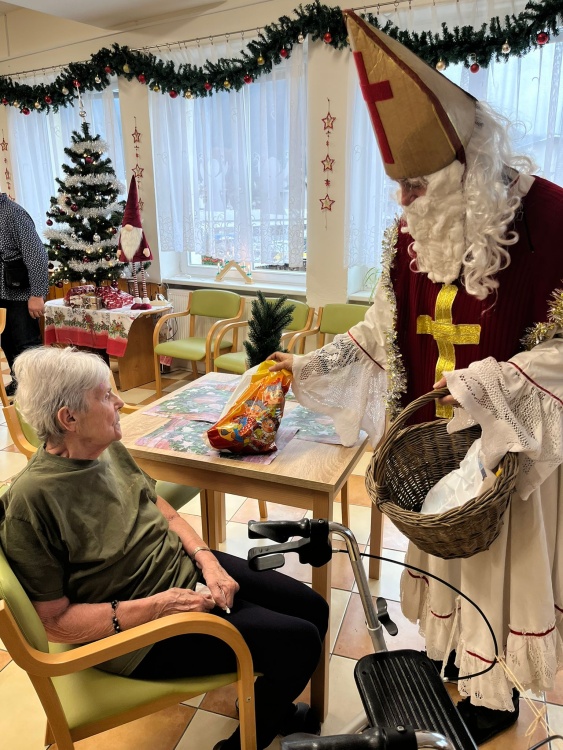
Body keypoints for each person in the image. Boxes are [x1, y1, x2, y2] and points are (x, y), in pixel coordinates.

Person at [270, 12, 563, 746]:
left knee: (499, 570)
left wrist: (492, 389)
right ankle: (455, 661)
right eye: (398, 186)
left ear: (471, 169)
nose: (402, 202)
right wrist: (309, 365)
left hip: (513, 455)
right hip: (434, 456)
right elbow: (382, 330)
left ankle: (495, 694)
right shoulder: (412, 236)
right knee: (442, 558)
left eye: (415, 184)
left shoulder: (555, 219)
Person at [0, 346, 328, 750]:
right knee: (299, 643)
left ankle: (264, 708)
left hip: (180, 573)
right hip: (136, 635)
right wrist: (162, 605)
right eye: (105, 396)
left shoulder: (107, 448)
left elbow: (164, 512)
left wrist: (207, 560)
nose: (120, 402)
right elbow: (55, 622)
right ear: (69, 419)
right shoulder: (32, 502)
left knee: (314, 609)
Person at [0, 193, 49, 396]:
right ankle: (20, 382)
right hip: (1, 295)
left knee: (27, 344)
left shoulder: (14, 213)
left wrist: (37, 294)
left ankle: (40, 391)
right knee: (6, 342)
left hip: (21, 295)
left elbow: (36, 255)